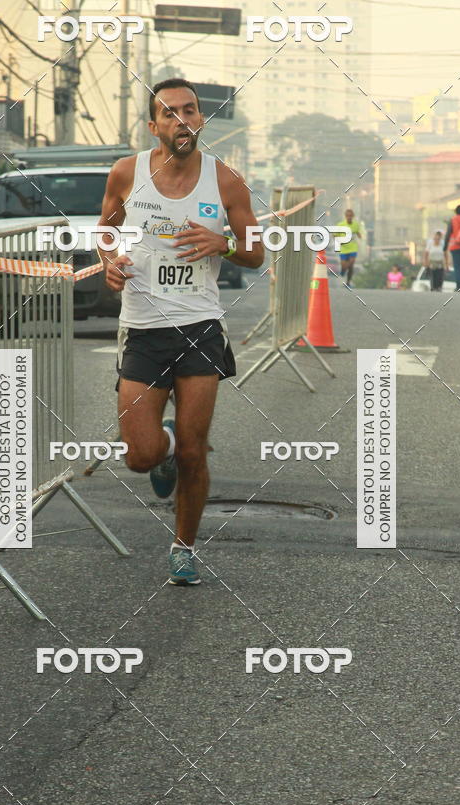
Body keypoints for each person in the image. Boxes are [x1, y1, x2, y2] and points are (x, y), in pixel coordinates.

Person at [97, 78, 264, 586]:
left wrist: (223, 244)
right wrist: (108, 262)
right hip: (143, 329)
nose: (182, 119)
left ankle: (184, 547)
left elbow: (256, 251)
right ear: (155, 126)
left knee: (197, 450)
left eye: (190, 110)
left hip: (200, 326)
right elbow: (106, 228)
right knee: (140, 456)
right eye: (170, 113)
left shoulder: (227, 180)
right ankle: (163, 445)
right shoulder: (127, 173)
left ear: (202, 119)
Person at [335, 208, 362, 286]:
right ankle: (343, 270)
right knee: (344, 265)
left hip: (353, 248)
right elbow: (335, 235)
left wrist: (360, 236)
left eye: (350, 216)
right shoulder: (340, 225)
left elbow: (358, 232)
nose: (349, 217)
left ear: (353, 216)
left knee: (351, 264)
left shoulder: (356, 224)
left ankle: (348, 282)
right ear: (345, 216)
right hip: (343, 248)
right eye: (348, 216)